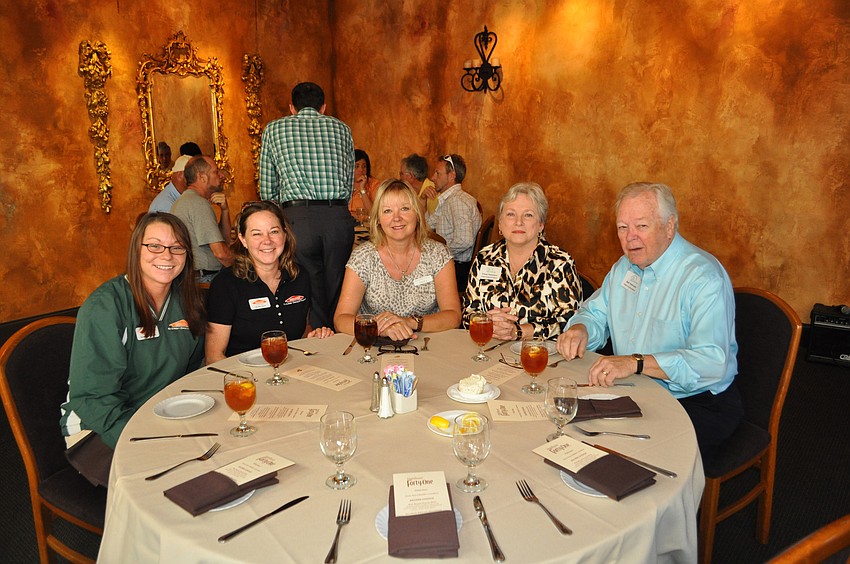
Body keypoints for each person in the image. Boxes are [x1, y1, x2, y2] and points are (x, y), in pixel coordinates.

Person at [556, 182, 742, 463]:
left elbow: (711, 363)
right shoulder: (623, 268)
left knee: (625, 459)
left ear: (670, 226)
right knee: (569, 425)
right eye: (622, 228)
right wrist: (580, 328)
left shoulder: (703, 278)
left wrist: (637, 362)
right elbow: (594, 313)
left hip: (697, 400)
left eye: (641, 226)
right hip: (637, 387)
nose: (630, 238)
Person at [60, 213, 205, 483]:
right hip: (98, 428)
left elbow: (192, 370)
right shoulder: (105, 307)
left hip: (159, 418)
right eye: (154, 245)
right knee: (181, 484)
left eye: (177, 247)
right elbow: (93, 398)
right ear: (136, 249)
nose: (167, 255)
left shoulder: (187, 302)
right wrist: (147, 438)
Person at [258, 81, 355, 329]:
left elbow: (267, 190)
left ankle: (320, 340)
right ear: (323, 107)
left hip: (297, 217)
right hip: (337, 216)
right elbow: (349, 178)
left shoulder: (274, 129)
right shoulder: (342, 129)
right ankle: (338, 339)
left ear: (292, 107)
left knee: (308, 286)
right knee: (338, 285)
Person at [334, 179, 461, 341]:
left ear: (417, 214)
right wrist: (380, 327)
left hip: (428, 345)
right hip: (374, 345)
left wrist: (409, 322)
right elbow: (341, 319)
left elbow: (453, 316)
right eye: (387, 211)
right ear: (378, 219)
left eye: (405, 209)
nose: (397, 218)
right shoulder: (363, 257)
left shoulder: (438, 254)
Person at [206, 201, 334, 362]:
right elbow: (214, 356)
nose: (267, 241)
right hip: (244, 378)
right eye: (257, 234)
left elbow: (301, 331)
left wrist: (313, 336)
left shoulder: (300, 276)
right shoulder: (225, 285)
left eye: (274, 231)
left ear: (285, 234)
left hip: (290, 371)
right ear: (243, 239)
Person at [463, 182, 582, 340]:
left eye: (528, 215)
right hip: (489, 349)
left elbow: (570, 322)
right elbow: (467, 315)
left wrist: (518, 331)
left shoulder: (559, 263)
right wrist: (486, 321)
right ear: (500, 223)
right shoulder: (485, 258)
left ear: (540, 225)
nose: (518, 222)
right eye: (511, 214)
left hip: (539, 356)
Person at [170, 155, 233, 283]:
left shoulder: (186, 200)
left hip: (195, 278)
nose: (221, 176)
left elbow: (224, 241)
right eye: (215, 171)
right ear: (202, 177)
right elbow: (220, 253)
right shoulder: (198, 203)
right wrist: (246, 268)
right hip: (206, 279)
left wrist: (225, 211)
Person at [427, 153, 481, 291]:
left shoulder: (457, 202)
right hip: (452, 265)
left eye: (437, 173)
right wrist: (422, 200)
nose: (432, 178)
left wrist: (438, 253)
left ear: (451, 175)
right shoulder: (450, 199)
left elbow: (465, 241)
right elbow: (426, 225)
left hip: (457, 270)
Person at [348, 149, 381, 218]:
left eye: (364, 166)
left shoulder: (374, 185)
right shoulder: (343, 184)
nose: (361, 170)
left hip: (365, 227)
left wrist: (362, 190)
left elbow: (374, 215)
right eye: (357, 166)